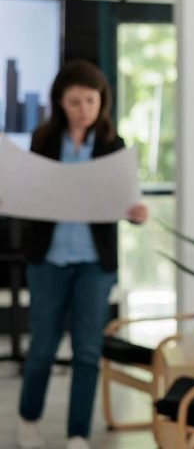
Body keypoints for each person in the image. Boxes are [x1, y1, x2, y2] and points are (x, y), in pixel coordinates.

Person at [17, 60, 148, 449]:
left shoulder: (113, 145)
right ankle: (28, 419)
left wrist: (137, 213)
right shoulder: (43, 141)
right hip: (49, 259)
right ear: (60, 102)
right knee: (42, 345)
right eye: (75, 102)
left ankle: (78, 433)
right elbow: (27, 192)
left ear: (101, 102)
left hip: (94, 261)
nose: (83, 109)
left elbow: (127, 200)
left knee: (87, 350)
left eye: (90, 101)